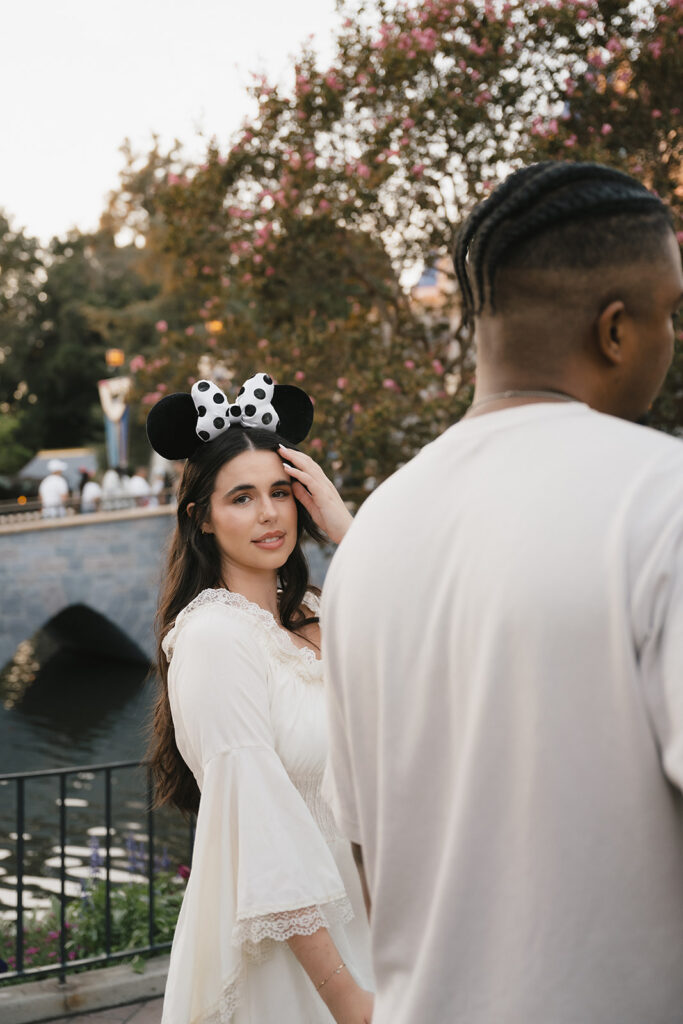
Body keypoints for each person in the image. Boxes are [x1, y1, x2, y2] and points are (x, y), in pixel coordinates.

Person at [322, 161, 683, 1024]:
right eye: (671, 314)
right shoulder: (661, 499)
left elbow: (371, 867)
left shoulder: (369, 539)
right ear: (615, 330)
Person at [146, 373, 373, 1024]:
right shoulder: (214, 638)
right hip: (289, 960)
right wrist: (347, 1000)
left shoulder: (312, 611)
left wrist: (344, 528)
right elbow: (260, 832)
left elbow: (423, 663)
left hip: (360, 922)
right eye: (241, 497)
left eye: (280, 492)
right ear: (203, 518)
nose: (270, 514)